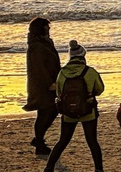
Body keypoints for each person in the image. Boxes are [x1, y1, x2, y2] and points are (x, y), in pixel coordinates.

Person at [44, 40, 105, 172]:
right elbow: (100, 89)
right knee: (92, 141)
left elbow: (59, 92)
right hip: (88, 111)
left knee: (63, 141)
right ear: (83, 56)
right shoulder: (90, 72)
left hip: (68, 112)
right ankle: (99, 169)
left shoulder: (62, 73)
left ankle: (49, 167)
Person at [25, 17, 62, 156]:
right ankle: (39, 143)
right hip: (43, 85)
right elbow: (39, 68)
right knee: (46, 111)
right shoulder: (37, 46)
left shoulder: (43, 43)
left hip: (50, 82)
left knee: (50, 111)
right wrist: (49, 84)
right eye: (47, 28)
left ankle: (38, 139)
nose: (49, 30)